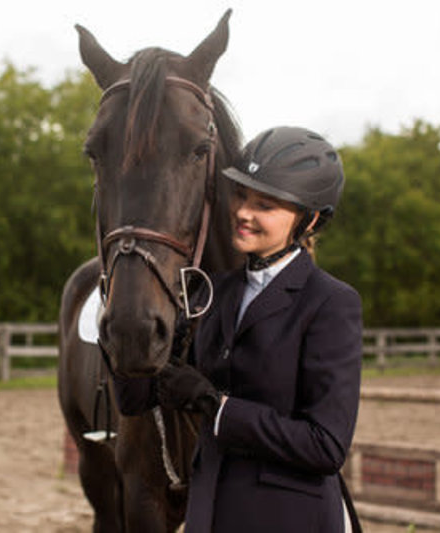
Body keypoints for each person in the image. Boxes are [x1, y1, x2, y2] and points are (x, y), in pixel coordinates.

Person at [114, 126, 363, 532]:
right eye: (241, 196)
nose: (243, 212)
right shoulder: (215, 290)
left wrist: (217, 406)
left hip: (289, 519)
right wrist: (125, 321)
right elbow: (138, 399)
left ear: (310, 219)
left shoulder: (330, 302)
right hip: (211, 516)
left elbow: (326, 446)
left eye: (264, 205)